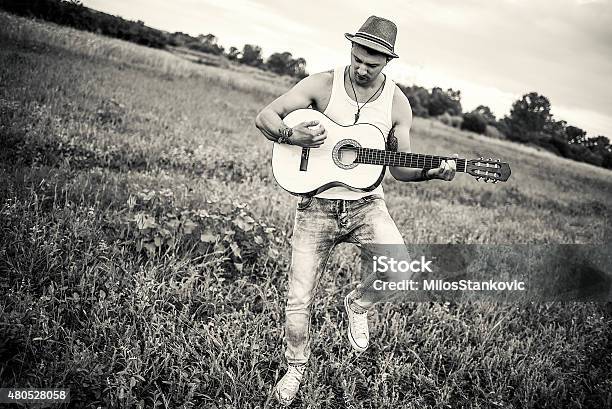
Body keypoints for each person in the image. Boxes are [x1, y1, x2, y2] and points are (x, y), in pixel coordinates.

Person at [255, 15, 457, 406]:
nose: (362, 68)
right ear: (352, 48)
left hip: (368, 204)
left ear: (388, 61)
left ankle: (357, 304)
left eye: (372, 62)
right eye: (358, 57)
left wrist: (432, 172)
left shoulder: (397, 103)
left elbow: (398, 168)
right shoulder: (322, 83)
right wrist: (289, 134)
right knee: (299, 298)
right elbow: (265, 116)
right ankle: (295, 367)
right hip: (316, 204)